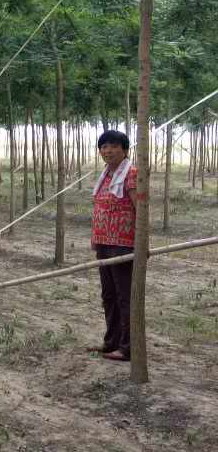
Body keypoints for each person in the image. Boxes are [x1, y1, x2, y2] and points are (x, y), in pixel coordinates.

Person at [92, 129, 137, 362]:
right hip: (103, 244)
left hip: (123, 246)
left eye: (113, 146)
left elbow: (141, 209)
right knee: (109, 295)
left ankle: (127, 347)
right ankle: (111, 341)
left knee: (124, 296)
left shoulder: (132, 174)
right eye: (103, 146)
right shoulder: (105, 175)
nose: (107, 150)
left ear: (125, 150)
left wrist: (142, 244)